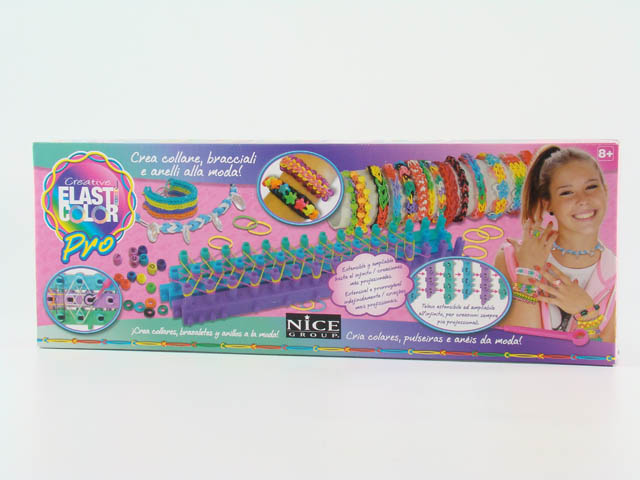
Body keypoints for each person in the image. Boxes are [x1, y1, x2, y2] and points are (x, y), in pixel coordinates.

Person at [494, 146, 616, 342]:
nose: (582, 200)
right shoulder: (511, 258)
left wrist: (587, 314)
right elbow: (518, 347)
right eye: (567, 192)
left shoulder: (619, 276)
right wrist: (527, 271)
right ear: (548, 203)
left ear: (605, 190)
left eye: (591, 187)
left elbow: (606, 355)